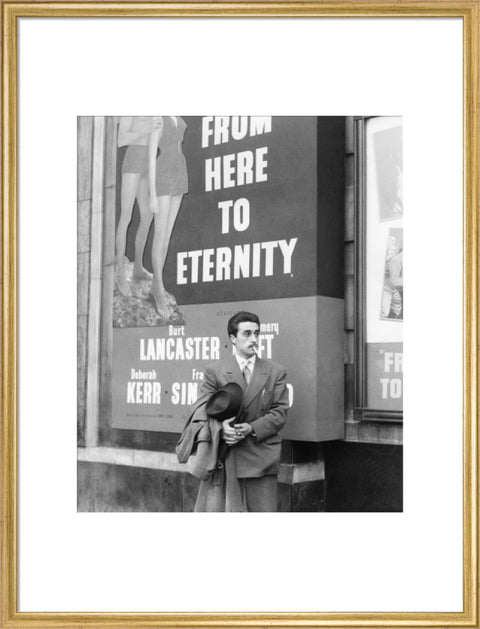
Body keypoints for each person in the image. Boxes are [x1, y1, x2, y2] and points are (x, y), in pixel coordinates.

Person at [194, 311, 289, 512]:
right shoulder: (215, 371)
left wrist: (251, 428)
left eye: (256, 333)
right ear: (233, 338)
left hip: (261, 458)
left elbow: (279, 413)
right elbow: (202, 411)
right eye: (247, 334)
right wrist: (221, 428)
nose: (254, 339)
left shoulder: (275, 371)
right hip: (226, 457)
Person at [115, 116, 161, 296]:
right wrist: (146, 129)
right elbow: (121, 139)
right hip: (133, 160)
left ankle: (138, 267)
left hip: (150, 162)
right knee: (126, 216)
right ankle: (120, 273)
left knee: (148, 216)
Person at [148, 116, 188, 317]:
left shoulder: (178, 116)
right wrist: (152, 194)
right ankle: (159, 290)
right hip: (163, 172)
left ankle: (156, 285)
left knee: (167, 237)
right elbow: (151, 156)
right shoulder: (158, 117)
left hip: (180, 169)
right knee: (160, 234)